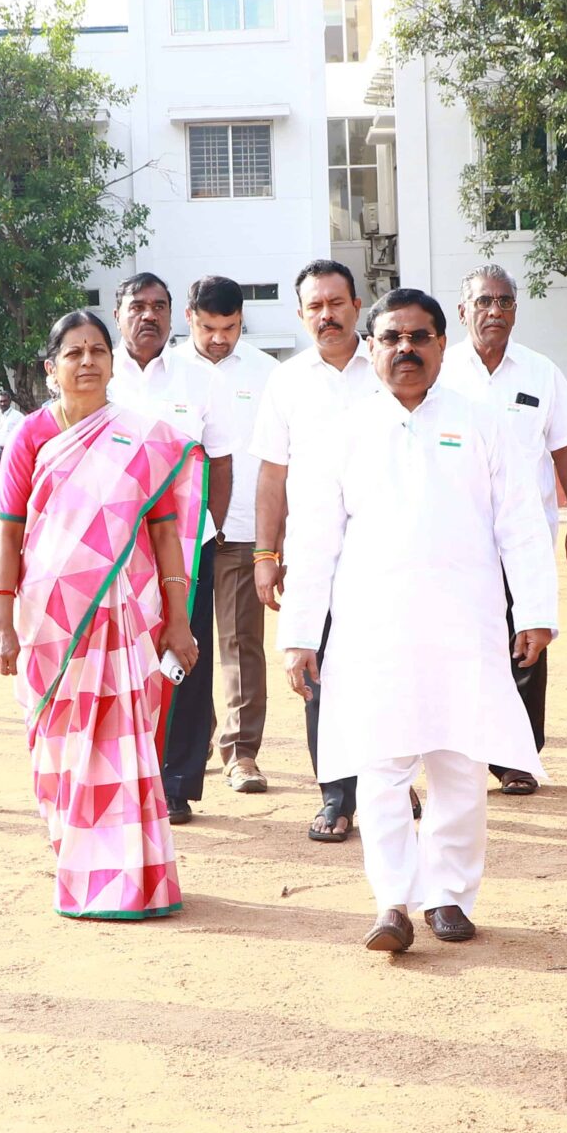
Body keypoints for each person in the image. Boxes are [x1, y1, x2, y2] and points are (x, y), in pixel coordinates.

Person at [282, 290, 558, 952]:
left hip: (465, 623)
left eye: (419, 337)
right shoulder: (342, 431)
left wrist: (535, 611)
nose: (405, 349)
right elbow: (313, 540)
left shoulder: (481, 422)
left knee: (459, 762)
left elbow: (521, 523)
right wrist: (299, 634)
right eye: (391, 337)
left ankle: (449, 896)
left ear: (441, 345)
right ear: (371, 346)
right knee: (381, 766)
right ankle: (393, 902)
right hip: (372, 628)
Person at [0, 309, 202, 920]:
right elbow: (9, 533)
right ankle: (77, 860)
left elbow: (165, 535)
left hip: (120, 615)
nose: (87, 361)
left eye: (98, 351)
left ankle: (132, 877)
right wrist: (2, 623)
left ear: (112, 362)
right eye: (74, 352)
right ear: (50, 368)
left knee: (123, 744)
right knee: (57, 747)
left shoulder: (141, 437)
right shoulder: (30, 436)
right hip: (48, 619)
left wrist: (178, 620)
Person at [437, 265, 567, 793]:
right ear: (463, 311)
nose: (495, 311)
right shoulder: (440, 371)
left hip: (523, 538)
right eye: (484, 301)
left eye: (504, 301)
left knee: (525, 638)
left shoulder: (540, 372)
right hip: (453, 538)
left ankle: (517, 759)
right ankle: (456, 753)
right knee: (456, 643)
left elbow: (566, 449)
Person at [251, 258, 379, 840]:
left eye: (336, 303)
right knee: (317, 675)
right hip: (314, 556)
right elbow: (272, 475)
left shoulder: (388, 366)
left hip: (387, 554)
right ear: (301, 315)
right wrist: (265, 554)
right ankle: (335, 796)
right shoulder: (287, 382)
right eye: (315, 307)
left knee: (388, 673)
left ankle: (389, 784)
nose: (327, 315)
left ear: (357, 305)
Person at [111, 271, 236, 825]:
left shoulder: (200, 379)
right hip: (113, 547)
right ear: (118, 314)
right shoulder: (98, 371)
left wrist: (208, 528)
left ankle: (177, 781)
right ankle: (122, 773)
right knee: (119, 657)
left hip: (186, 547)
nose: (149, 315)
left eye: (160, 306)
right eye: (138, 306)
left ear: (173, 314)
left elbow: (222, 462)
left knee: (183, 654)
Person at [172, 276, 278, 795]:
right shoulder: (168, 370)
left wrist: (273, 537)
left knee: (242, 643)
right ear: (189, 317)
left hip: (240, 530)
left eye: (230, 328)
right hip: (180, 536)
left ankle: (241, 753)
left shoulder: (268, 373)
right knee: (182, 641)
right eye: (209, 327)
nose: (219, 339)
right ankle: (190, 742)